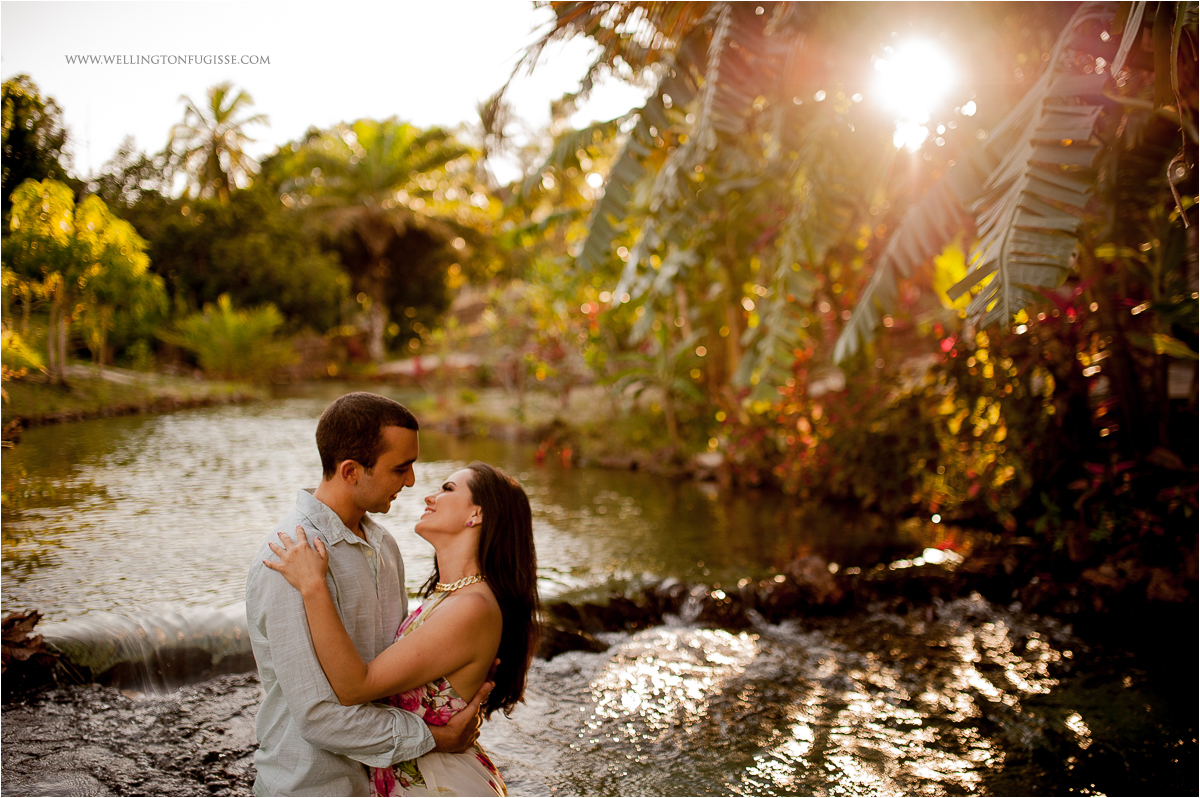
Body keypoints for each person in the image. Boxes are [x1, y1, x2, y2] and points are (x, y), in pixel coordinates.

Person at [245, 392, 492, 796]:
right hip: (313, 787)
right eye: (401, 468)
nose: (411, 481)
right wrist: (435, 737)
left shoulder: (384, 546)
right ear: (350, 472)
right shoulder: (289, 557)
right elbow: (318, 716)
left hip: (386, 784)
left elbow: (392, 674)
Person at [265, 461, 540, 797]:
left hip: (442, 784)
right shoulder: (448, 597)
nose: (428, 496)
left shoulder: (472, 607)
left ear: (477, 514)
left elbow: (355, 687)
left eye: (447, 489)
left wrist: (313, 586)